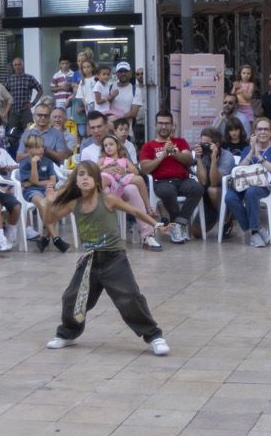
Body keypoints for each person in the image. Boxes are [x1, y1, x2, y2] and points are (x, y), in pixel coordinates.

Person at [38, 162, 170, 355]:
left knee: (130, 298)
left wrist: (157, 225)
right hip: (90, 260)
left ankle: (154, 336)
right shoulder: (74, 203)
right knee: (72, 297)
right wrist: (50, 202)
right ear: (75, 180)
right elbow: (49, 220)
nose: (84, 178)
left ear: (97, 180)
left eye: (89, 175)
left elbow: (135, 211)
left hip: (114, 258)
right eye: (80, 174)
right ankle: (67, 333)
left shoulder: (107, 199)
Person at [136, 111, 201, 241]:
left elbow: (189, 160)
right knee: (167, 191)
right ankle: (177, 226)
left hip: (183, 180)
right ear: (155, 125)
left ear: (172, 125)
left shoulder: (180, 142)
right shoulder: (149, 146)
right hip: (161, 182)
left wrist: (174, 152)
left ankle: (178, 224)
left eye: (167, 124)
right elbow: (145, 168)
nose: (164, 126)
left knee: (197, 188)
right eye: (160, 123)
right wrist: (163, 155)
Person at [226, 118, 271, 247]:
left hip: (263, 187)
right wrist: (252, 152)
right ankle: (257, 229)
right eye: (260, 129)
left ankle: (254, 233)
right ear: (254, 132)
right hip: (244, 184)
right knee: (229, 198)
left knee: (251, 192)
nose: (263, 132)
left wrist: (259, 156)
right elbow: (239, 169)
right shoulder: (247, 149)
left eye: (266, 129)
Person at [18, 134, 69, 253]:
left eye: (42, 147)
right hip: (32, 191)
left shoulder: (48, 162)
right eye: (37, 147)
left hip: (47, 189)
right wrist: (34, 164)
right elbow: (32, 181)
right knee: (43, 203)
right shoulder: (24, 163)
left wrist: (36, 182)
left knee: (57, 205)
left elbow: (52, 181)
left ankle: (45, 238)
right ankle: (56, 238)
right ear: (28, 149)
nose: (41, 150)